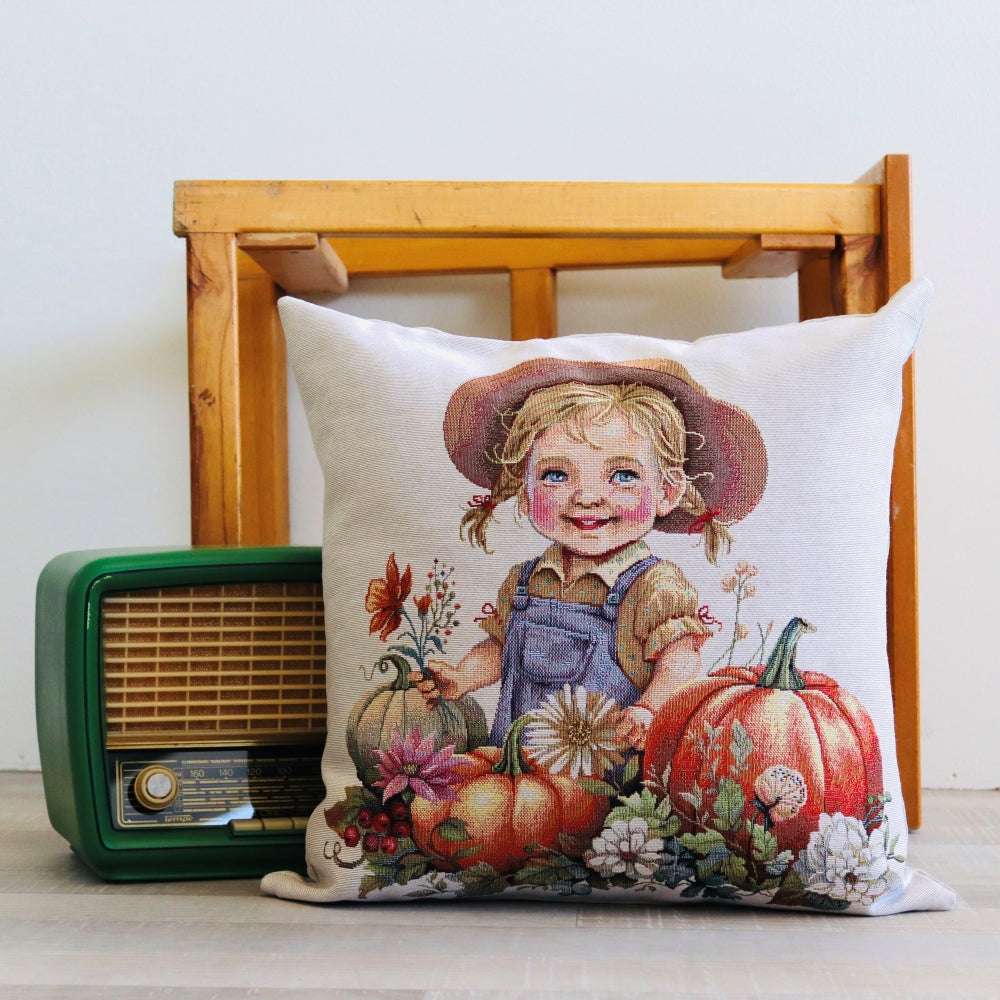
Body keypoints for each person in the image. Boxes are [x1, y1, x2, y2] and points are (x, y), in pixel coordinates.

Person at [412, 357, 767, 756]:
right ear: (525, 494)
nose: (587, 497)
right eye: (557, 475)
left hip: (607, 780)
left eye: (623, 475)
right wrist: (461, 678)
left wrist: (650, 710)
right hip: (518, 771)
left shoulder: (655, 586)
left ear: (667, 492)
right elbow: (499, 648)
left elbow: (680, 662)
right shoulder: (525, 581)